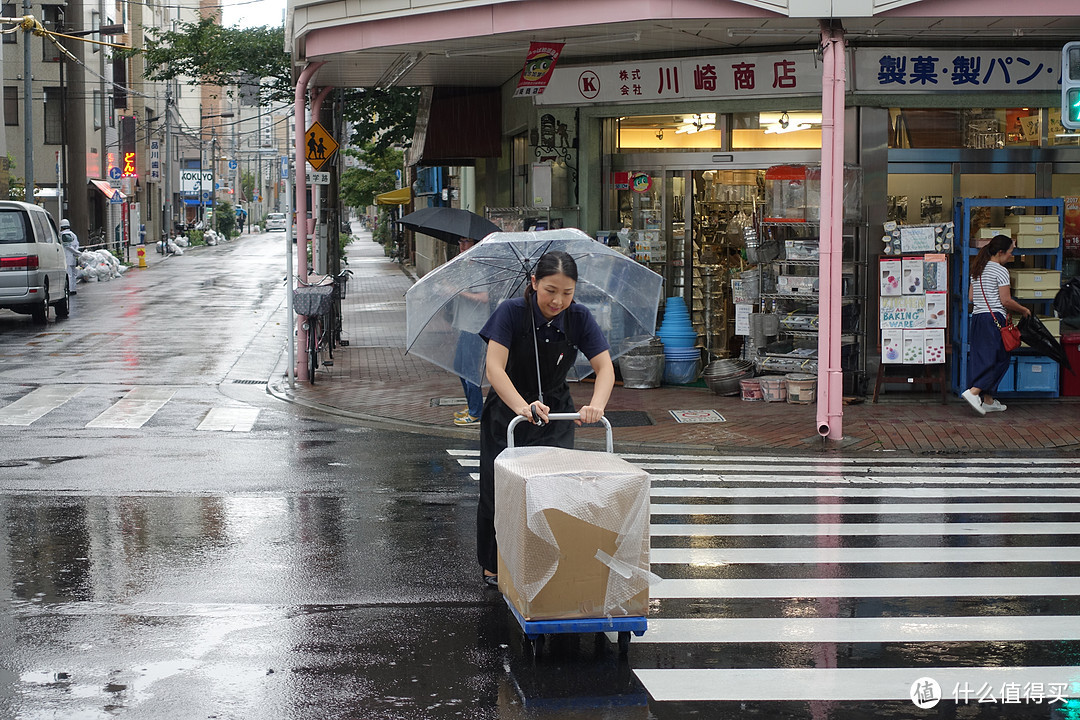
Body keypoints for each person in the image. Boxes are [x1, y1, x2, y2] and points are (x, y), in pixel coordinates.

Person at [475, 250, 615, 587]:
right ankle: (495, 563)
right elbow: (494, 368)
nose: (558, 300)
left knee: (554, 489)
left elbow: (605, 367)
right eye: (550, 290)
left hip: (556, 411)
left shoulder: (579, 317)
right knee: (500, 491)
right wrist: (522, 406)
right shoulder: (511, 312)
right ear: (534, 283)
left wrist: (595, 405)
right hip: (508, 411)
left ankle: (547, 559)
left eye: (567, 293)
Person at [962, 234, 1031, 415]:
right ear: (1000, 252)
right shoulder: (1001, 271)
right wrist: (1023, 310)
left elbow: (971, 298)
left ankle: (988, 400)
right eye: (1010, 252)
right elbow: (1005, 300)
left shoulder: (977, 268)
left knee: (983, 357)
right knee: (999, 359)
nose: (1011, 256)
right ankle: (974, 392)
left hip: (978, 318)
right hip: (994, 319)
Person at [451, 237, 488, 426]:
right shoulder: (467, 269)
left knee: (470, 370)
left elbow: (483, 297)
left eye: (466, 242)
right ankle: (473, 406)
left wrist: (459, 292)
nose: (462, 246)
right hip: (465, 325)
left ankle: (476, 412)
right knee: (459, 366)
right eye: (460, 242)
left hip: (474, 327)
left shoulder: (478, 270)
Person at [59, 219, 80, 295]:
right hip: (73, 258)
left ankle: (70, 290)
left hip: (67, 257)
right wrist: (77, 253)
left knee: (69, 274)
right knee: (73, 274)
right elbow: (76, 245)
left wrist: (76, 253)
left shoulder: (63, 235)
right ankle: (73, 289)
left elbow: (67, 246)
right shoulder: (73, 235)